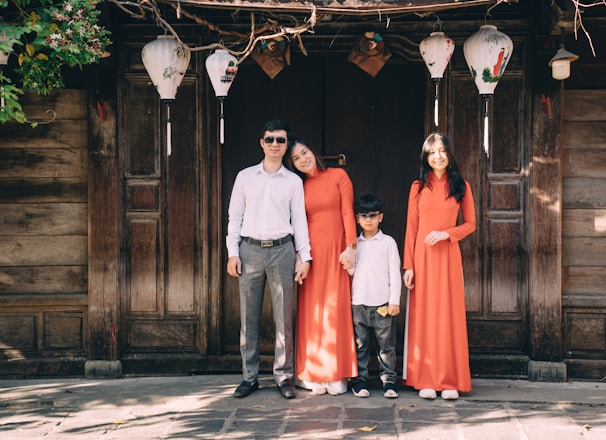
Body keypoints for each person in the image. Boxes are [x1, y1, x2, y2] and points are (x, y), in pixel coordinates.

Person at [226, 119, 312, 400]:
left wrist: (305, 257)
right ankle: (249, 377)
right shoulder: (245, 177)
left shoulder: (293, 181)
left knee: (284, 318)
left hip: (282, 251)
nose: (275, 144)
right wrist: (233, 253)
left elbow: (300, 222)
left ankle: (284, 377)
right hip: (250, 250)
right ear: (261, 143)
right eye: (270, 139)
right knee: (248, 318)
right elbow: (234, 218)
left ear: (285, 146)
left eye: (281, 140)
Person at [402, 132, 476, 401]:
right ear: (426, 157)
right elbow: (411, 229)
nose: (438, 156)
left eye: (442, 150)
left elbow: (470, 224)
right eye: (432, 152)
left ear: (450, 154)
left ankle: (450, 379)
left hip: (448, 258)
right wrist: (408, 265)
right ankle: (426, 378)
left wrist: (447, 234)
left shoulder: (461, 186)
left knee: (448, 316)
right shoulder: (417, 187)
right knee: (425, 317)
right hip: (422, 259)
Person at [285, 137, 358, 396]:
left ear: (312, 151)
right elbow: (297, 223)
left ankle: (337, 373)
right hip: (311, 253)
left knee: (336, 307)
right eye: (296, 158)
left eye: (304, 153)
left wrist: (351, 246)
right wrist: (300, 256)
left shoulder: (338, 175)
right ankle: (315, 372)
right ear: (292, 164)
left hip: (337, 249)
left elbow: (348, 212)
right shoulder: (298, 186)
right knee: (313, 309)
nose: (303, 160)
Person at [348, 194, 402, 399]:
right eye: (364, 215)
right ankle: (359, 380)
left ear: (381, 217)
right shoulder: (354, 244)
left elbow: (394, 273)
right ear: (357, 218)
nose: (368, 219)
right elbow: (352, 273)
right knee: (360, 345)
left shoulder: (388, 243)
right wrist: (348, 265)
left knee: (386, 346)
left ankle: (389, 381)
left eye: (373, 215)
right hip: (359, 303)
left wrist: (394, 300)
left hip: (382, 304)